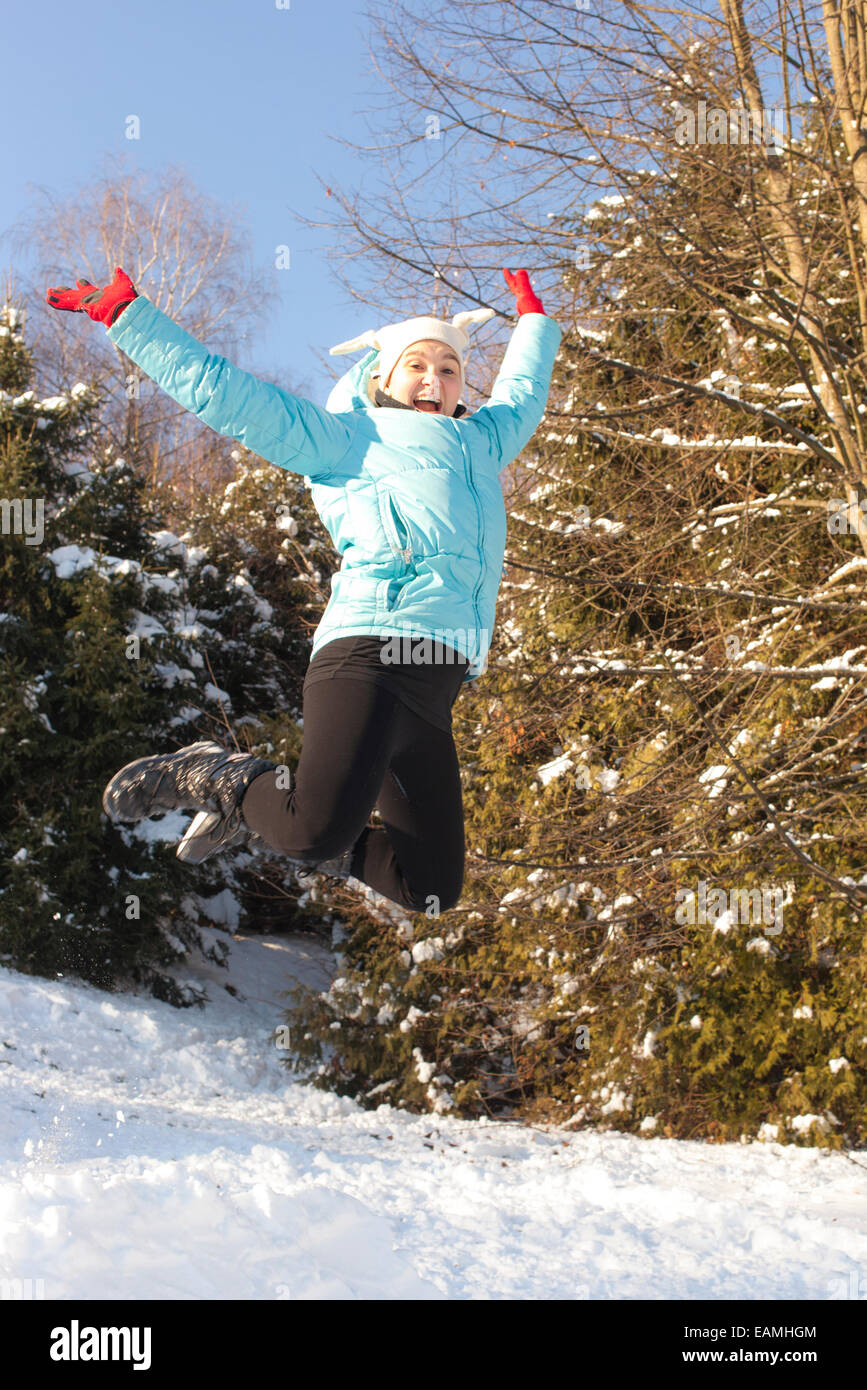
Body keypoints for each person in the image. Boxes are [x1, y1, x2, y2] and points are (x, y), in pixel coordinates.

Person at [46, 263, 562, 911]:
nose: (434, 379)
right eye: (416, 365)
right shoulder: (347, 438)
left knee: (428, 888)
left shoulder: (481, 443)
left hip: (437, 681)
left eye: (450, 368)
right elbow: (228, 395)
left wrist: (535, 323)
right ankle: (216, 776)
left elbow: (524, 393)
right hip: (371, 654)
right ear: (382, 376)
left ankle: (260, 809)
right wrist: (130, 317)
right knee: (308, 834)